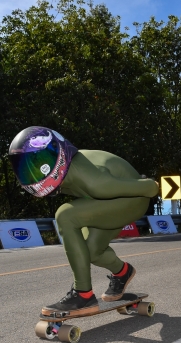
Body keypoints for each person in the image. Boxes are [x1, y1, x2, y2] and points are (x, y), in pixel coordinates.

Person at [8, 126, 159, 317]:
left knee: (65, 215)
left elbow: (148, 189)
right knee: (91, 252)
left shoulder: (94, 181)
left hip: (131, 198)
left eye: (39, 163)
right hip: (103, 200)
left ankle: (83, 295)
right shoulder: (67, 171)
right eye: (26, 167)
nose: (33, 172)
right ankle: (123, 272)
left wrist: (150, 185)